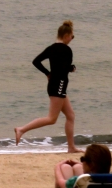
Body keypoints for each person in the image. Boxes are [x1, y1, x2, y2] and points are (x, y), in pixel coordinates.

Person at [14, 20, 80, 152]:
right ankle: (21, 129)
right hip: (59, 85)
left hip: (54, 85)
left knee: (71, 115)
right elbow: (63, 68)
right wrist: (71, 68)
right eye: (72, 37)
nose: (72, 39)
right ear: (66, 35)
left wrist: (47, 73)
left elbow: (36, 61)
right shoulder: (66, 50)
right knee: (51, 119)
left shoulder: (51, 48)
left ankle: (71, 147)